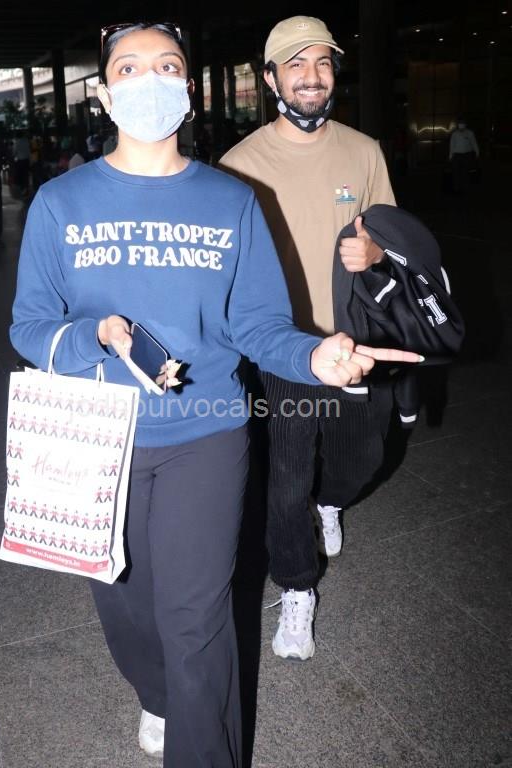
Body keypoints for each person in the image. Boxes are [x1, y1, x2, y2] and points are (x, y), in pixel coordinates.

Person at [9, 22, 421, 767]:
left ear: (190, 90)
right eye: (129, 69)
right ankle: (157, 693)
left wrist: (314, 355)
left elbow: (257, 323)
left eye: (168, 66)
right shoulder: (60, 203)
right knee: (127, 608)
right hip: (98, 435)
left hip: (206, 431)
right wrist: (91, 336)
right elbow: (28, 325)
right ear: (104, 94)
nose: (150, 80)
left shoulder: (230, 200)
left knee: (196, 618)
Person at [220, 16, 399, 661]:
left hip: (356, 341)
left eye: (322, 63)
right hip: (283, 349)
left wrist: (377, 251)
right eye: (295, 64)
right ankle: (297, 586)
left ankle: (333, 501)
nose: (311, 76)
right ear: (271, 79)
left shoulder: (364, 151)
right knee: (285, 478)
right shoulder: (238, 166)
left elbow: (395, 239)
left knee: (365, 456)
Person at [449, 117, 479, 193]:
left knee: (465, 172)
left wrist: (477, 152)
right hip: (457, 155)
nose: (461, 125)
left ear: (465, 124)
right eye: (460, 123)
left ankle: (465, 187)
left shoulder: (470, 133)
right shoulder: (455, 134)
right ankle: (456, 187)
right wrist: (450, 155)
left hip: (467, 155)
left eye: (462, 123)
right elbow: (452, 145)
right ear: (458, 124)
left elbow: (474, 143)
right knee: (456, 172)